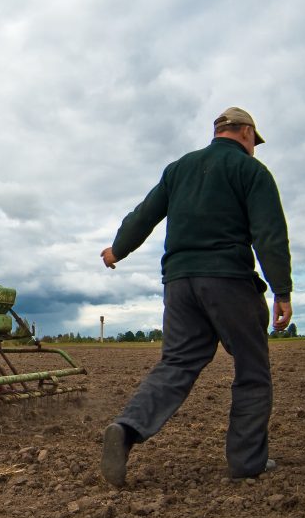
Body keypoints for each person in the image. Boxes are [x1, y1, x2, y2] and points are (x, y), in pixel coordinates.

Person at [98, 106, 293, 486]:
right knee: (252, 370)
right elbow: (269, 233)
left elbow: (144, 215)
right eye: (255, 141)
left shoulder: (178, 169)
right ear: (246, 133)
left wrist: (117, 250)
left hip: (180, 284)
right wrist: (282, 290)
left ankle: (126, 428)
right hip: (229, 280)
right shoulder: (250, 170)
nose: (255, 148)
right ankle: (246, 462)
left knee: (176, 364)